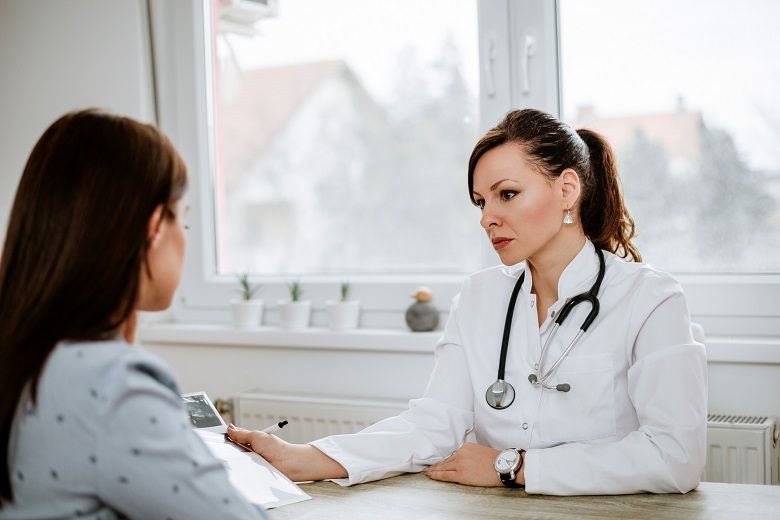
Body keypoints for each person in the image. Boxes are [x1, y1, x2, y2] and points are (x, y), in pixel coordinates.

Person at [228, 108, 708, 495]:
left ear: (567, 189)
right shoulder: (480, 297)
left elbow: (676, 458)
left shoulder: (651, 299)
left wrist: (514, 467)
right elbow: (435, 424)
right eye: (482, 202)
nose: (487, 218)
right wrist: (304, 458)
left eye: (507, 194)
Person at [0, 110, 269, 518]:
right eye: (184, 222)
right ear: (155, 227)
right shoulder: (111, 385)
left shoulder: (25, 358)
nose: (184, 239)